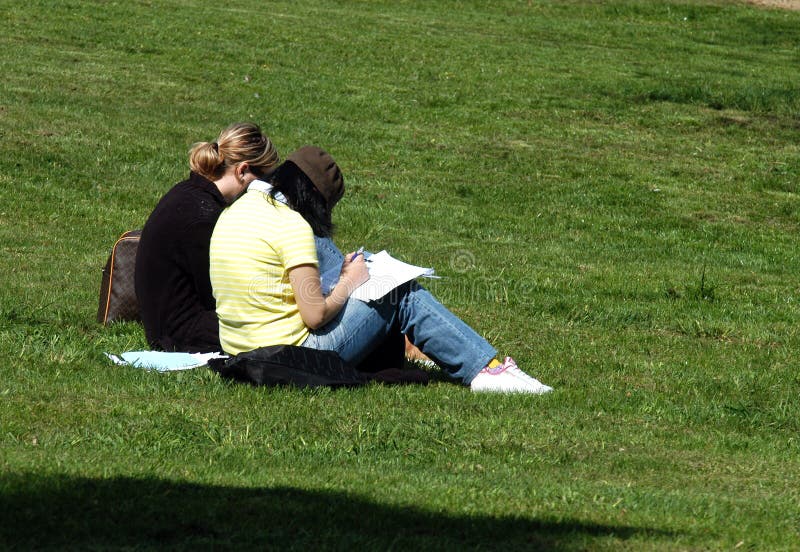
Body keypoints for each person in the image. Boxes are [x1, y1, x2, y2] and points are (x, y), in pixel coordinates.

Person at [209, 146, 553, 393]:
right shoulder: (292, 225)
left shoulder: (237, 211)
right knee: (397, 289)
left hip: (242, 350)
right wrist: (349, 281)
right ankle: (484, 370)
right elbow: (314, 316)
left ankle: (480, 365)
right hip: (292, 358)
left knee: (381, 284)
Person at [135, 122, 279, 352]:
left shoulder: (190, 194)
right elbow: (219, 293)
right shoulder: (203, 217)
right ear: (242, 170)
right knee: (280, 332)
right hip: (181, 333)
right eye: (263, 179)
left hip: (171, 321)